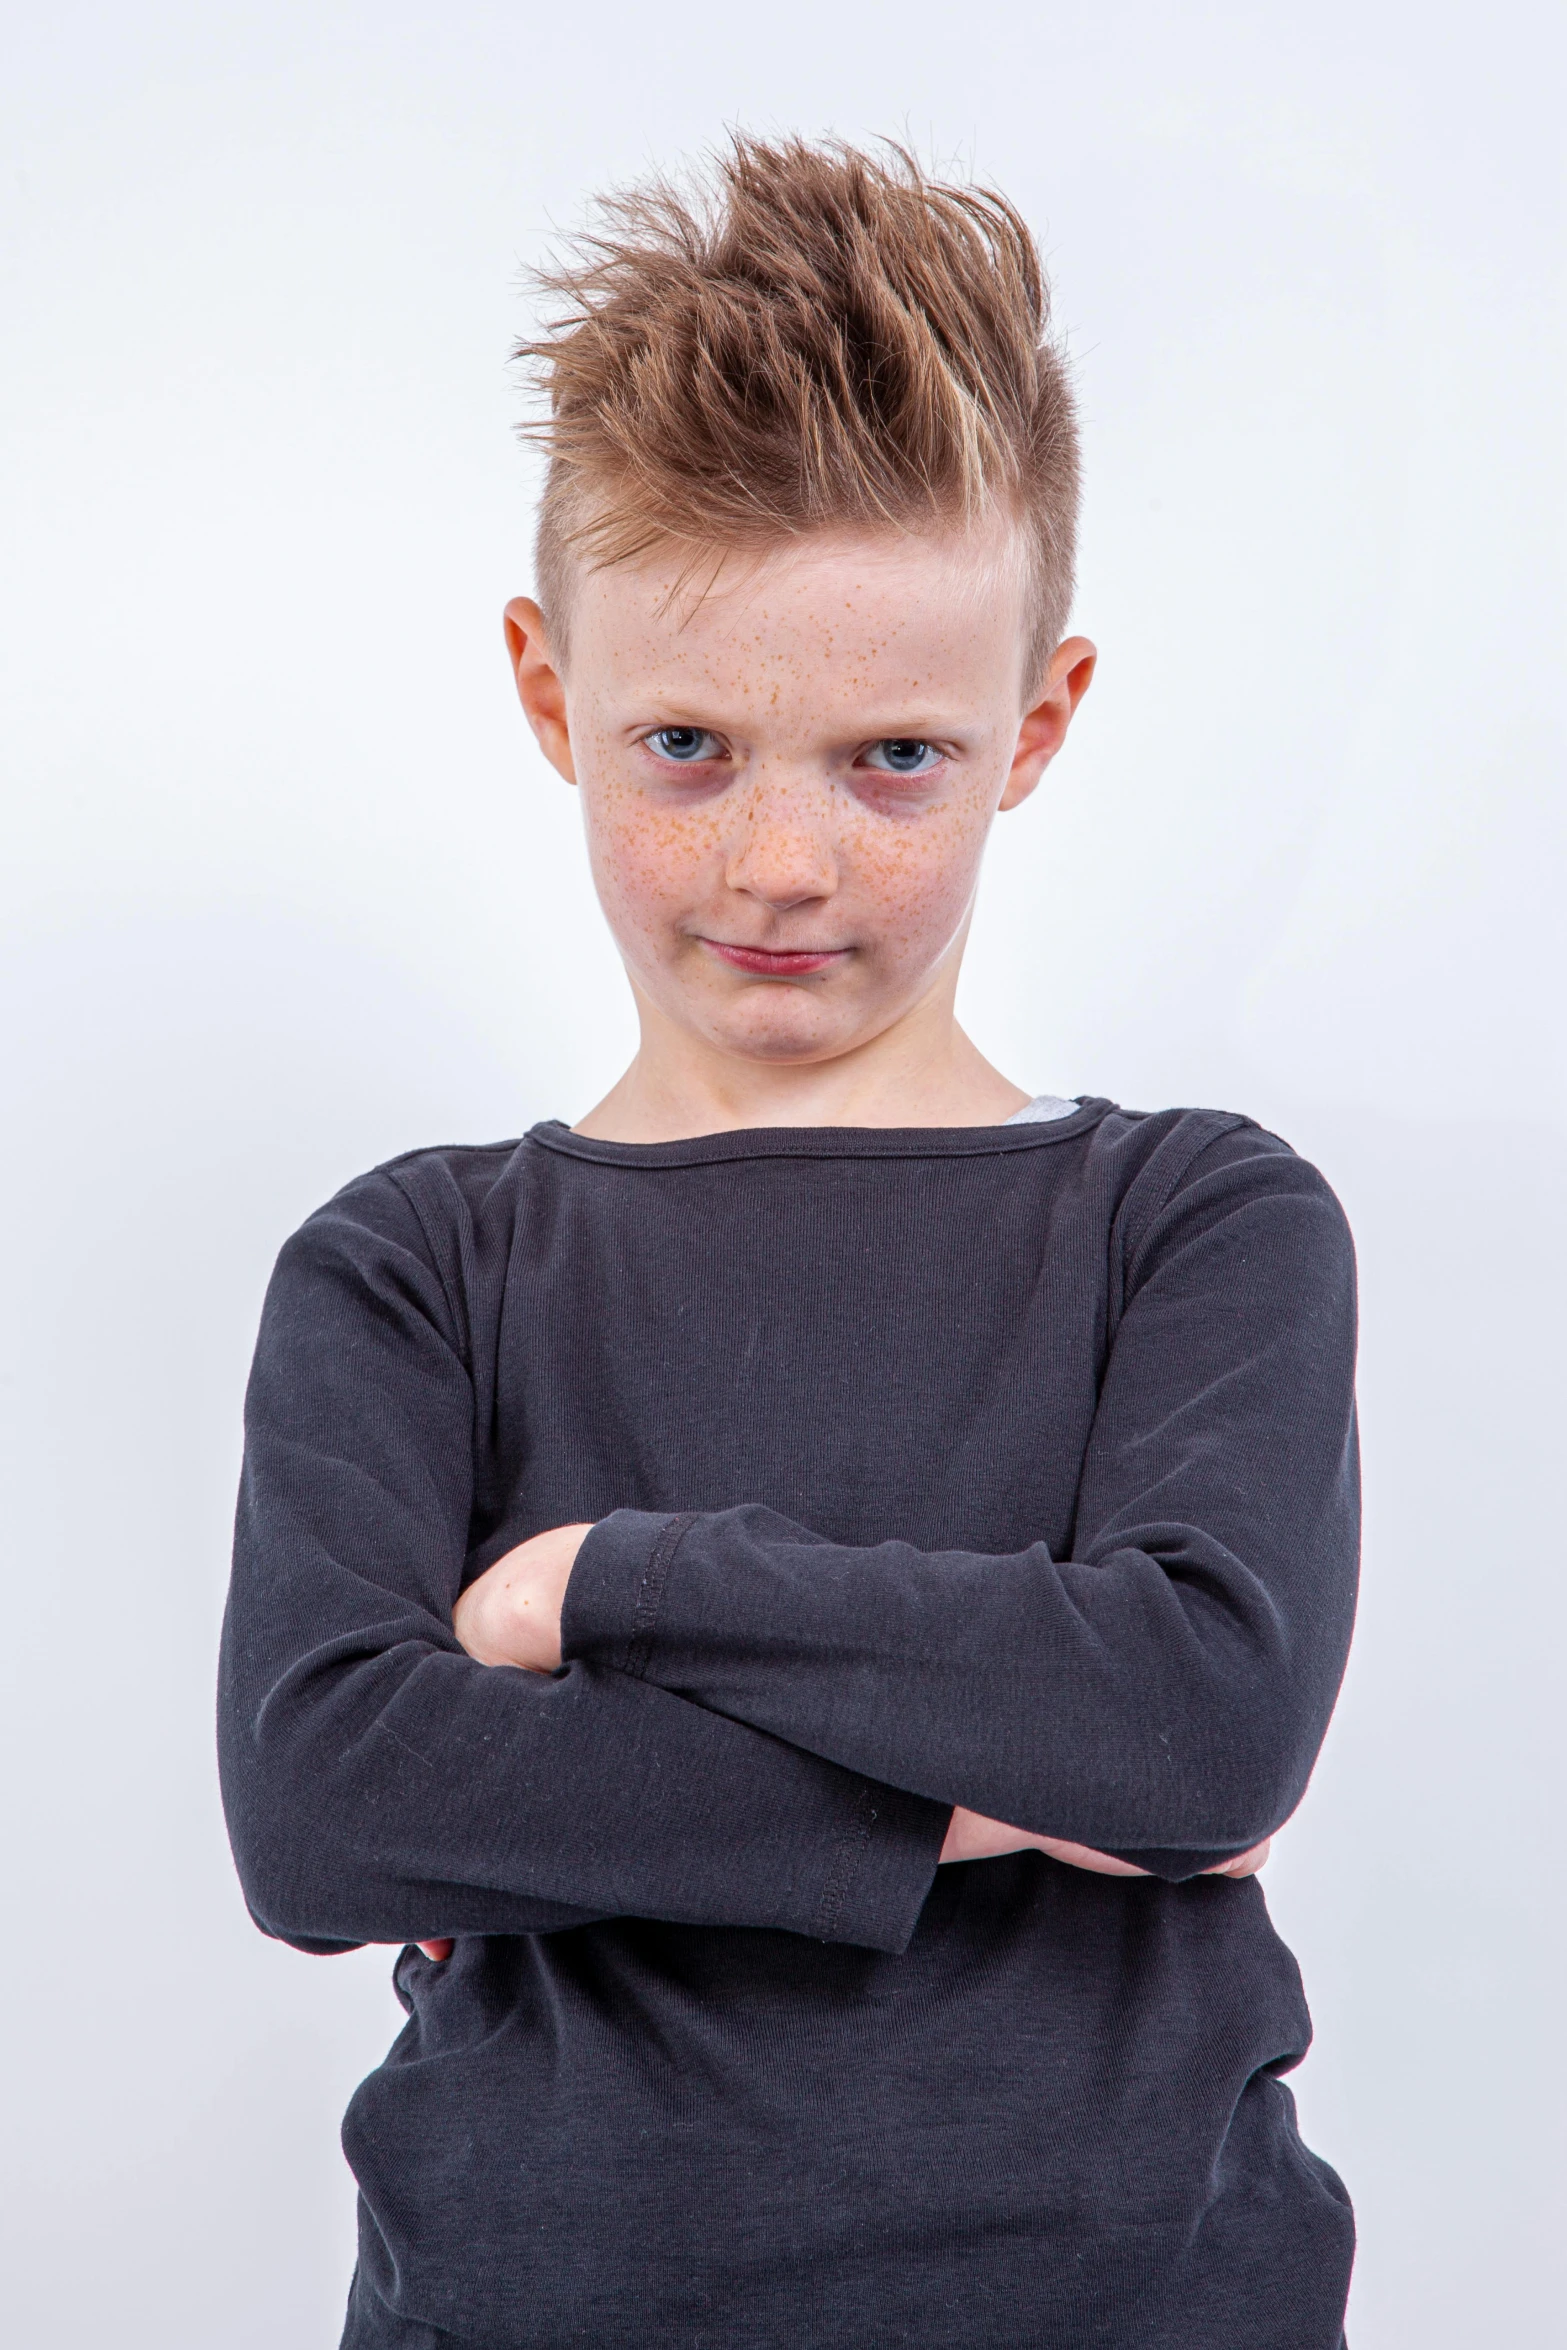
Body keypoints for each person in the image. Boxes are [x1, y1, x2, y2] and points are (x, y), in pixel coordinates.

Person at [218, 136, 1359, 2350]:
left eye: (895, 758)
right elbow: (330, 1798)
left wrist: (605, 1587)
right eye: (685, 742)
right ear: (551, 695)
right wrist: (1024, 1786)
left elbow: (1207, 1722)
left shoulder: (1198, 1220)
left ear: (1036, 725)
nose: (779, 855)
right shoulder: (410, 1267)